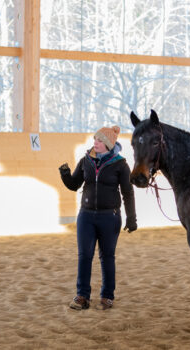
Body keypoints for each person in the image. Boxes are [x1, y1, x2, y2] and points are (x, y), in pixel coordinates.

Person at [59, 126, 137, 311]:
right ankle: (82, 296)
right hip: (86, 216)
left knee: (107, 257)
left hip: (109, 217)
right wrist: (65, 174)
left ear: (109, 144)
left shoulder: (120, 164)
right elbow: (73, 184)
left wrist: (131, 218)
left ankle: (107, 296)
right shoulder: (86, 160)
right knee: (84, 256)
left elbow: (128, 193)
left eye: (100, 140)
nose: (96, 142)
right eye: (95, 139)